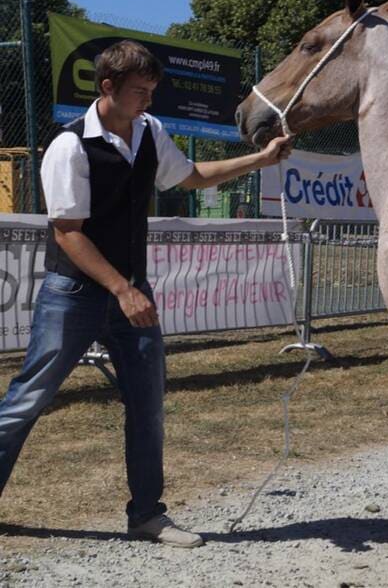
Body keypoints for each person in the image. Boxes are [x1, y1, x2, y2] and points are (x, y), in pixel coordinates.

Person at [0, 40, 291, 547]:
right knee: (28, 399)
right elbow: (69, 231)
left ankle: (147, 515)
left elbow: (193, 176)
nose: (147, 101)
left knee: (148, 403)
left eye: (152, 91)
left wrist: (260, 159)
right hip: (75, 292)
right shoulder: (70, 146)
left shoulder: (151, 132)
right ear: (107, 87)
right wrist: (121, 289)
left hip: (131, 293)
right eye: (139, 91)